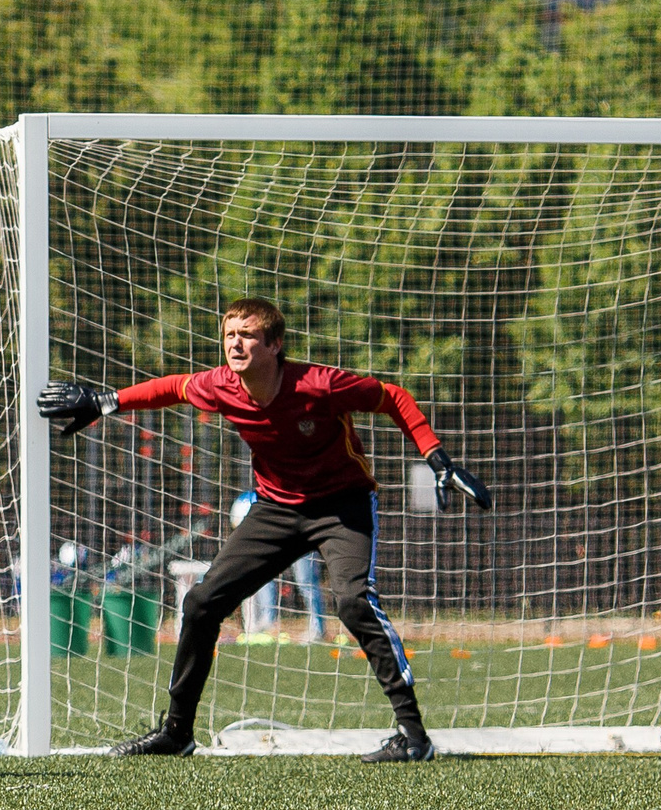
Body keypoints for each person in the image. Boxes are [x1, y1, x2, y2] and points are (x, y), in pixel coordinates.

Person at [39, 296, 492, 762]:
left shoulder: (319, 384)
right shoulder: (221, 385)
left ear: (274, 345)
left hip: (342, 507)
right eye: (230, 334)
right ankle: (176, 733)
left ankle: (413, 737)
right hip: (275, 509)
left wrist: (437, 457)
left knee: (354, 602)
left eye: (248, 334)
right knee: (200, 603)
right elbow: (172, 388)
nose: (235, 343)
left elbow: (393, 396)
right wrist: (103, 402)